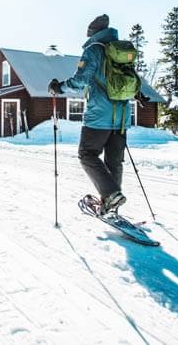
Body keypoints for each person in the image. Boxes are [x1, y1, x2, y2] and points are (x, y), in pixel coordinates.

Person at [48, 14, 130, 217]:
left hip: (98, 116)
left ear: (92, 33)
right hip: (121, 117)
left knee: (87, 154)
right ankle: (112, 203)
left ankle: (111, 195)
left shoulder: (94, 50)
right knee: (114, 161)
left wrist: (60, 87)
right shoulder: (120, 51)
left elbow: (81, 79)